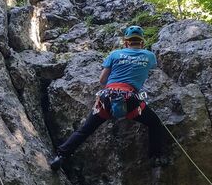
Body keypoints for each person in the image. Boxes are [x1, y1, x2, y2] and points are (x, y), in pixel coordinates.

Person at [49, 25, 166, 169]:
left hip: (107, 97)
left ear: (125, 42)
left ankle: (61, 156)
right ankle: (156, 158)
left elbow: (102, 79)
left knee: (85, 129)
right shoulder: (149, 56)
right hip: (130, 99)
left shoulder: (115, 54)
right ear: (142, 42)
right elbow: (152, 68)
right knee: (154, 123)